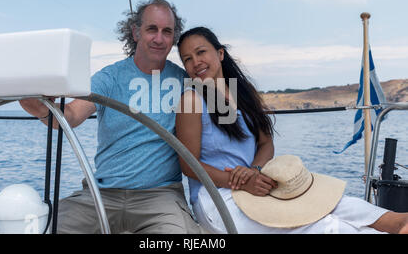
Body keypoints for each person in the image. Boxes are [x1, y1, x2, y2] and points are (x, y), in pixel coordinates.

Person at [175, 26, 408, 234]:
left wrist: (255, 170)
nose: (196, 62)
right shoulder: (192, 100)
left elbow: (266, 143)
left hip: (255, 185)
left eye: (201, 52)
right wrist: (240, 182)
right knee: (323, 226)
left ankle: (397, 222)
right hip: (218, 197)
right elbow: (188, 164)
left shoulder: (243, 93)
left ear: (220, 53)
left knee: (334, 203)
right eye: (187, 58)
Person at [19, 0, 200, 234]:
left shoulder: (184, 81)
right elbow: (71, 115)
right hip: (101, 195)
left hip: (160, 197)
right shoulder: (110, 77)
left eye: (167, 31)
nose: (159, 38)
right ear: (136, 32)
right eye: (151, 29)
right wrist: (40, 107)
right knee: (48, 230)